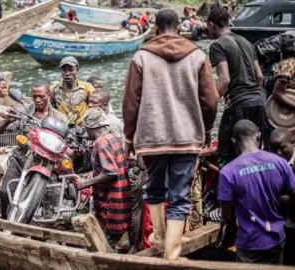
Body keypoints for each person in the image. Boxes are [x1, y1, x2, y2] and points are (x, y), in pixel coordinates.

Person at [123, 8, 218, 259]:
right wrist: (207, 130)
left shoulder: (141, 57)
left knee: (154, 189)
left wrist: (129, 138)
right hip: (187, 138)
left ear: (155, 28)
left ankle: (162, 237)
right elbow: (210, 100)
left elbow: (131, 102)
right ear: (179, 27)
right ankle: (172, 253)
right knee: (180, 196)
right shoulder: (197, 56)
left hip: (152, 137)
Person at [218, 120, 295, 264]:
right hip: (277, 239)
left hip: (249, 243)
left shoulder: (227, 172)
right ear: (258, 136)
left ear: (234, 141)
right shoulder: (280, 163)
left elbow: (226, 215)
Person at [0, 81, 68, 219]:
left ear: (49, 95)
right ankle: (4, 219)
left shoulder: (59, 118)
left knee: (51, 195)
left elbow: (65, 143)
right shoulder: (23, 111)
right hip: (21, 158)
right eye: (34, 97)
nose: (37, 100)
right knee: (5, 191)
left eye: (41, 96)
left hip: (45, 163)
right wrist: (7, 120)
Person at [207, 6, 268, 166]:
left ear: (212, 25)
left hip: (238, 104)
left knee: (230, 156)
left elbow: (225, 80)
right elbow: (259, 76)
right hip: (258, 102)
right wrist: (256, 95)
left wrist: (211, 102)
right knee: (254, 151)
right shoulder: (247, 42)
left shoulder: (217, 45)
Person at [76, 108, 132, 251]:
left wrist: (85, 183)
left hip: (111, 202)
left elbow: (111, 172)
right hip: (120, 198)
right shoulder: (112, 137)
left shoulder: (101, 143)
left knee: (104, 246)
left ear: (91, 127)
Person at [268, 128, 295, 265]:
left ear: (292, 143)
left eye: (282, 148)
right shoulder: (270, 163)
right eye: (274, 149)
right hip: (281, 224)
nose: (278, 153)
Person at [50, 56, 95, 127]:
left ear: (77, 70)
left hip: (83, 127)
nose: (67, 74)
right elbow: (51, 109)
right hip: (62, 127)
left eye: (71, 70)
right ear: (60, 70)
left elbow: (95, 108)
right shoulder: (54, 89)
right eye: (64, 70)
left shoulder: (87, 88)